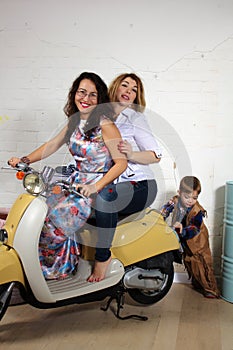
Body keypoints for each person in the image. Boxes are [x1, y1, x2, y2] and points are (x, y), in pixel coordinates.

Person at [8, 71, 127, 282]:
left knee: (56, 224)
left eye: (92, 95)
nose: (86, 99)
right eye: (82, 92)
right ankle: (41, 272)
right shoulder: (75, 122)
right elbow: (52, 145)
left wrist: (95, 187)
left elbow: (121, 164)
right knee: (41, 215)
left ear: (99, 100)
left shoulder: (105, 125)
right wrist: (25, 160)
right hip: (75, 184)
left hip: (97, 186)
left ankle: (65, 268)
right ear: (74, 94)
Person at [160, 176, 220, 298]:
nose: (190, 201)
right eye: (186, 197)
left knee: (202, 264)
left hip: (197, 240)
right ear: (179, 193)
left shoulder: (198, 211)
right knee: (189, 262)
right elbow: (165, 210)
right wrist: (160, 216)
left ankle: (211, 289)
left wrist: (182, 231)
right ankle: (197, 284)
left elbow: (194, 229)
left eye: (194, 198)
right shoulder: (176, 201)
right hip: (185, 240)